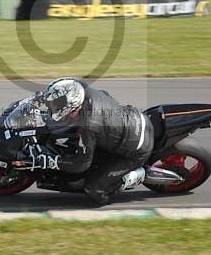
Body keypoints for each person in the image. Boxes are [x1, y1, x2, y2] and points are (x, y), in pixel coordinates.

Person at [22, 77, 154, 205]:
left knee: (94, 190)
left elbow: (81, 164)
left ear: (73, 107)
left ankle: (137, 175)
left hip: (135, 150)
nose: (54, 109)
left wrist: (54, 161)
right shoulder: (84, 91)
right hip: (134, 117)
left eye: (57, 107)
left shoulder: (89, 126)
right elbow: (105, 94)